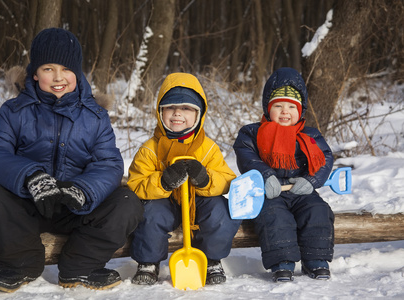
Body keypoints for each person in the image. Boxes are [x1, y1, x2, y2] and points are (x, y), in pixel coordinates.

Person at [0, 28, 144, 293]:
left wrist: (83, 189)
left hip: (75, 207)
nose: (58, 77)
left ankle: (82, 265)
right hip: (27, 202)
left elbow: (108, 164)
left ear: (78, 72)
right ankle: (20, 263)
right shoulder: (15, 111)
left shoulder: (95, 117)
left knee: (127, 203)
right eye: (48, 69)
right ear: (35, 73)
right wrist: (30, 177)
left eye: (66, 69)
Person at [127, 72, 242, 285]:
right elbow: (135, 184)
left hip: (198, 202)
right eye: (170, 107)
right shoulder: (150, 149)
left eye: (187, 108)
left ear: (199, 114)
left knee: (221, 213)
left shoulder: (208, 148)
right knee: (150, 214)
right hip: (165, 202)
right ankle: (148, 262)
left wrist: (206, 179)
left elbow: (227, 179)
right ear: (160, 111)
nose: (177, 113)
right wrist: (162, 182)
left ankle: (211, 259)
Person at [233, 67, 334, 282]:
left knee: (317, 211)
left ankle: (315, 259)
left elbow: (325, 158)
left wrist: (311, 181)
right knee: (275, 218)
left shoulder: (310, 134)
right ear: (268, 108)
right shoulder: (252, 133)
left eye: (291, 106)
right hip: (270, 192)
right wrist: (265, 176)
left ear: (301, 110)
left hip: (301, 190)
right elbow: (246, 155)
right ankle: (282, 263)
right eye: (278, 106)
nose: (285, 111)